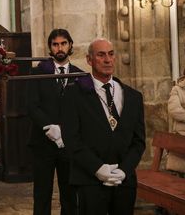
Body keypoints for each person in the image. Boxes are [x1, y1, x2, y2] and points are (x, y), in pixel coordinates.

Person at [62, 38, 146, 215]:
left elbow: (139, 142)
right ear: (89, 60)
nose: (107, 60)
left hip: (124, 181)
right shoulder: (73, 94)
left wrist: (124, 170)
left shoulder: (133, 97)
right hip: (90, 180)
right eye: (101, 55)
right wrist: (98, 169)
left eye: (111, 54)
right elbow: (71, 139)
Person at [28, 29, 83, 215]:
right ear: (50, 47)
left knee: (69, 193)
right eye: (55, 44)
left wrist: (64, 130)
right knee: (42, 193)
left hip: (69, 144)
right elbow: (31, 105)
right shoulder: (37, 72)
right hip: (42, 142)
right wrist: (49, 126)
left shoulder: (80, 75)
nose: (60, 48)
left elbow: (81, 111)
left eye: (63, 43)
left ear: (70, 45)